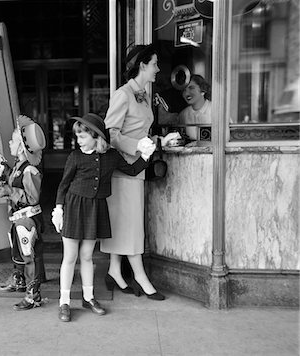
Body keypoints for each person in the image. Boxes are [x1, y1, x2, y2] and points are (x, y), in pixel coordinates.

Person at [51, 113, 155, 322]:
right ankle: (64, 302)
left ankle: (89, 298)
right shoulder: (75, 157)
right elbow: (63, 185)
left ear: (96, 136)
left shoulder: (112, 156)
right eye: (78, 136)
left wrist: (146, 155)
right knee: (70, 257)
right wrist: (59, 209)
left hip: (96, 208)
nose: (78, 141)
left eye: (82, 136)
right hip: (74, 206)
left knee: (87, 255)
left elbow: (133, 170)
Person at [100, 44, 179, 300]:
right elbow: (110, 134)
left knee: (126, 223)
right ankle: (141, 277)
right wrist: (139, 146)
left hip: (137, 168)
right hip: (123, 169)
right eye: (155, 64)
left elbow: (140, 131)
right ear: (142, 65)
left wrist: (157, 141)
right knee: (132, 225)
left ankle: (114, 270)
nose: (158, 69)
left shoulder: (143, 95)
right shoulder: (123, 94)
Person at [0, 115, 47, 311]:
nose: (9, 142)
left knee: (29, 255)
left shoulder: (30, 170)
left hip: (28, 219)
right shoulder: (18, 167)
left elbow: (32, 198)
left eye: (13, 140)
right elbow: (13, 179)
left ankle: (33, 296)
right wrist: (4, 171)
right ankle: (19, 281)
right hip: (18, 219)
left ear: (23, 147)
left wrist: (9, 191)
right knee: (18, 251)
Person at [178, 74, 212, 139]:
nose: (186, 93)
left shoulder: (216, 110)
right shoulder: (183, 114)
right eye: (184, 90)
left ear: (203, 90)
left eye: (191, 88)